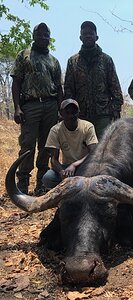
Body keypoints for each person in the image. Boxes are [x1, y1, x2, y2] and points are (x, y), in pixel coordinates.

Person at [10, 22, 63, 195]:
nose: (43, 37)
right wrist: (17, 107)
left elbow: (59, 87)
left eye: (46, 34)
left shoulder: (54, 61)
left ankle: (41, 183)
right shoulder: (24, 55)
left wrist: (60, 111)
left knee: (47, 146)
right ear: (34, 36)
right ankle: (22, 182)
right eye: (39, 34)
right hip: (30, 106)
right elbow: (16, 82)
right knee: (27, 145)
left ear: (49, 37)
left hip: (50, 105)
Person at [64, 21, 123, 139]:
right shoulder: (73, 61)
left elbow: (115, 88)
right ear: (80, 37)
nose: (88, 36)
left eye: (91, 33)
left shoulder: (106, 60)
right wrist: (70, 112)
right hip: (80, 114)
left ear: (96, 37)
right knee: (81, 149)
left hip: (103, 114)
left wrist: (116, 111)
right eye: (85, 34)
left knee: (102, 149)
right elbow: (69, 89)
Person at [42, 99, 98, 188]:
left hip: (85, 166)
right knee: (48, 179)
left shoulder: (88, 126)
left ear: (78, 112)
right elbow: (53, 160)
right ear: (61, 113)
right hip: (67, 169)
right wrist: (61, 172)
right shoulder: (55, 130)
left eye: (74, 112)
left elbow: (93, 153)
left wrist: (74, 165)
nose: (71, 116)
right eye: (67, 112)